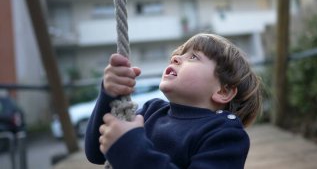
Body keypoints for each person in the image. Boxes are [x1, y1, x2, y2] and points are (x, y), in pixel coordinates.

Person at [85, 33, 262, 168]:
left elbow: (127, 145)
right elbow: (95, 154)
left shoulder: (224, 134)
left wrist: (131, 146)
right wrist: (109, 94)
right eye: (179, 54)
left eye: (193, 57)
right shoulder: (151, 110)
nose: (175, 58)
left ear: (223, 91)